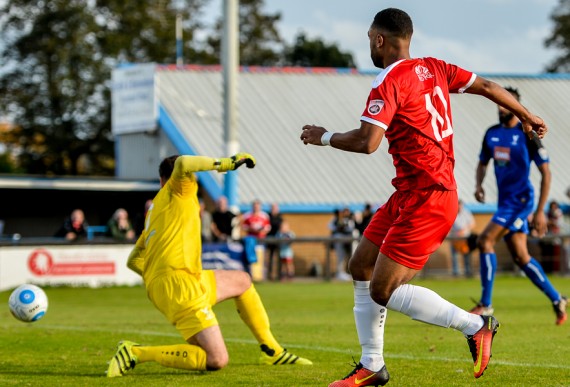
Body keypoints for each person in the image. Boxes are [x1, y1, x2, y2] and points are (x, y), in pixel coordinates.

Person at [300, 8, 548, 385]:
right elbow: (488, 88)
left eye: (370, 37)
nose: (369, 43)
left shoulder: (388, 80)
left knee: (384, 289)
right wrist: (525, 114)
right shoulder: (435, 68)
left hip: (429, 196)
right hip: (409, 191)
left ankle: (475, 325)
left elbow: (368, 142)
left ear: (380, 40)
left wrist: (324, 136)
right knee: (360, 268)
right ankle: (372, 366)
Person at [106, 153, 311, 378]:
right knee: (216, 359)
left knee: (242, 281)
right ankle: (136, 352)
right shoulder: (179, 188)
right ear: (174, 178)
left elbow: (133, 259)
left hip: (180, 280)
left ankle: (272, 350)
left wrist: (157, 280)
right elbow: (184, 163)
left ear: (160, 180)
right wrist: (227, 163)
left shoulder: (158, 208)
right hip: (180, 285)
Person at [472, 87, 567, 325]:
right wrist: (479, 184)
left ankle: (485, 304)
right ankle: (557, 299)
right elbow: (482, 162)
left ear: (515, 105)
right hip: (505, 202)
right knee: (521, 257)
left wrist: (540, 211)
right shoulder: (491, 133)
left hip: (521, 201)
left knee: (485, 240)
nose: (500, 108)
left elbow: (546, 174)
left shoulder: (527, 133)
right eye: (498, 103)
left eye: (504, 103)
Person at [448, 199, 476, 277]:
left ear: (462, 205)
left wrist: (464, 230)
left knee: (466, 255)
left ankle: (468, 271)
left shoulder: (466, 213)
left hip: (465, 238)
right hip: (455, 238)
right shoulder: (452, 212)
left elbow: (472, 224)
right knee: (454, 256)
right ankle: (456, 272)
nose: (459, 207)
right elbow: (449, 224)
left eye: (460, 205)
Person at [328, 207, 355, 281]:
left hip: (348, 242)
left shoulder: (350, 219)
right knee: (340, 257)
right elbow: (330, 226)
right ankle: (339, 273)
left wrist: (343, 226)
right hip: (339, 241)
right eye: (344, 211)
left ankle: (344, 273)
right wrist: (339, 226)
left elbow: (350, 228)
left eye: (347, 211)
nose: (346, 213)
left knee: (349, 257)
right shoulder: (336, 219)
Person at [266, 202, 284, 281]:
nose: (274, 210)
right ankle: (269, 274)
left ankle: (279, 275)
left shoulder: (280, 218)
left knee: (280, 257)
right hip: (269, 239)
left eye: (275, 208)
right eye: (273, 208)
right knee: (269, 257)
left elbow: (283, 228)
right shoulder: (267, 217)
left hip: (278, 240)